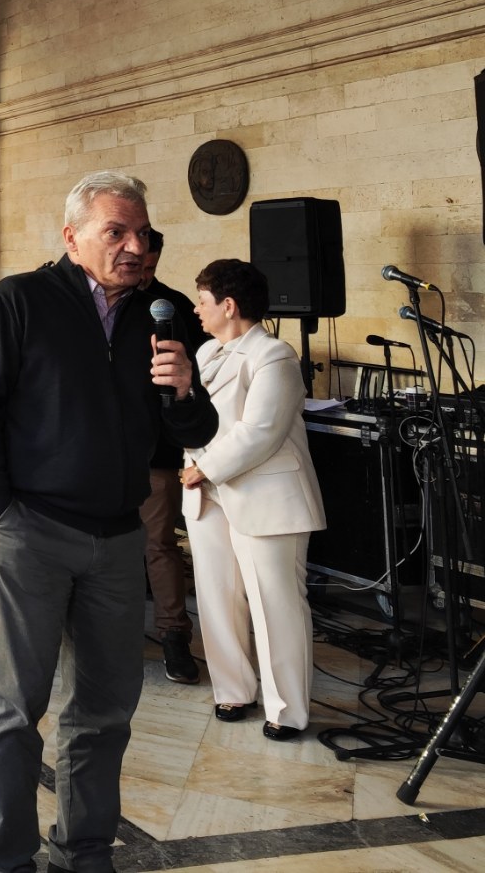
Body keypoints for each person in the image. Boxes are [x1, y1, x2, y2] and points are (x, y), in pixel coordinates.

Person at [0, 171, 218, 873]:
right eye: (116, 232)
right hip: (31, 533)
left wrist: (184, 392)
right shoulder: (21, 301)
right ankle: (9, 856)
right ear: (72, 238)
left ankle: (86, 848)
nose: (135, 246)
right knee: (15, 708)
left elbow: (198, 429)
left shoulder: (164, 313)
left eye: (143, 234)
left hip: (119, 537)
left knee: (104, 710)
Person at [183, 258, 325, 741]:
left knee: (275, 604)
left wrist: (204, 467)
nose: (197, 309)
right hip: (207, 495)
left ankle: (287, 710)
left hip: (265, 495)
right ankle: (233, 690)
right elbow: (192, 418)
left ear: (229, 305)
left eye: (203, 301)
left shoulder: (275, 355)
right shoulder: (205, 353)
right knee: (217, 598)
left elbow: (260, 431)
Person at [139, 229, 210, 685]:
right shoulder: (94, 305)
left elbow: (199, 375)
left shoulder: (173, 306)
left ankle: (173, 635)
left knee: (160, 545)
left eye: (149, 267)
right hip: (102, 448)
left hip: (158, 448)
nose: (141, 275)